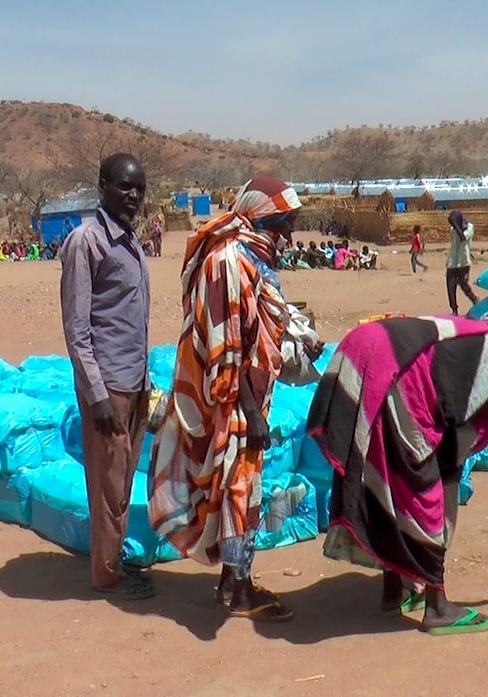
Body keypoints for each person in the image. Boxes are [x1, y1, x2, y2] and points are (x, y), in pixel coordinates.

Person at [306, 305, 488, 635]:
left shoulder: (468, 338)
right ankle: (437, 606)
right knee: (422, 491)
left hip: (365, 351)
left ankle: (392, 591)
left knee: (390, 480)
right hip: (392, 369)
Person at [149, 176, 307, 622]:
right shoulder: (228, 262)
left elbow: (258, 324)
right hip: (230, 400)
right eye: (283, 223)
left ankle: (234, 581)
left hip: (247, 395)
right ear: (260, 217)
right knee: (237, 488)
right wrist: (251, 412)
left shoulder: (250, 258)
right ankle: (237, 591)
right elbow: (226, 344)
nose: (288, 235)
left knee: (241, 487)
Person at [60, 153, 152, 600]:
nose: (132, 196)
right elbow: (78, 329)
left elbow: (133, 319)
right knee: (107, 480)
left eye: (139, 189)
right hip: (108, 386)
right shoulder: (87, 242)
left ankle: (113, 559)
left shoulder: (131, 243)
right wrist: (96, 395)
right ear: (102, 186)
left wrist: (147, 380)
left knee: (124, 476)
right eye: (123, 187)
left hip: (134, 380)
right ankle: (106, 573)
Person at [446, 209, 479, 315]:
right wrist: (455, 226)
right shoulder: (453, 229)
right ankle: (454, 309)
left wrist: (457, 227)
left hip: (464, 261)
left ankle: (475, 300)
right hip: (452, 261)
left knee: (463, 284)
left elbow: (463, 238)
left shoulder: (469, 227)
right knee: (450, 286)